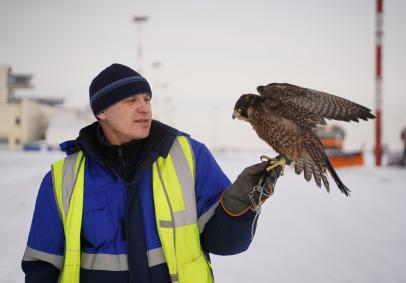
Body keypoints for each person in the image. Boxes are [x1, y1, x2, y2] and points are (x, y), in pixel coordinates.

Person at [21, 63, 280, 283]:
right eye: (130, 101)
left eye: (147, 99)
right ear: (101, 112)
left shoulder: (188, 155)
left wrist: (240, 202)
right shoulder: (64, 177)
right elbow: (41, 265)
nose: (144, 108)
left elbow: (225, 243)